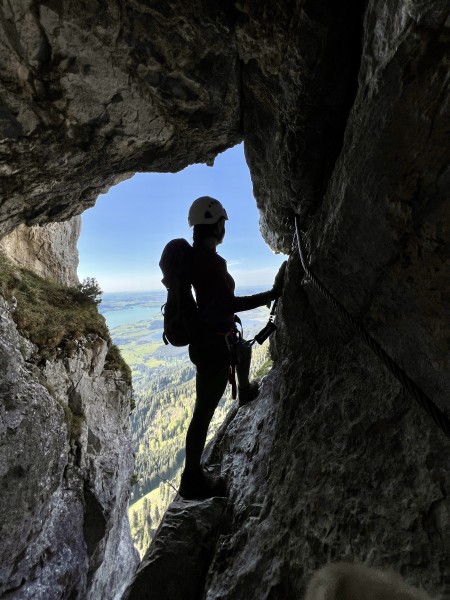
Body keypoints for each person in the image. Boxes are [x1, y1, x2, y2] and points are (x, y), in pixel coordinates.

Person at [179, 196, 286, 500]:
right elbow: (227, 302)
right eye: (223, 222)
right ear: (215, 224)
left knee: (243, 349)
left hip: (213, 337)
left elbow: (218, 303)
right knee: (203, 412)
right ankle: (191, 479)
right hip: (213, 344)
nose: (224, 227)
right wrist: (270, 294)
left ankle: (246, 391)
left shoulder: (197, 257)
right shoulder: (210, 261)